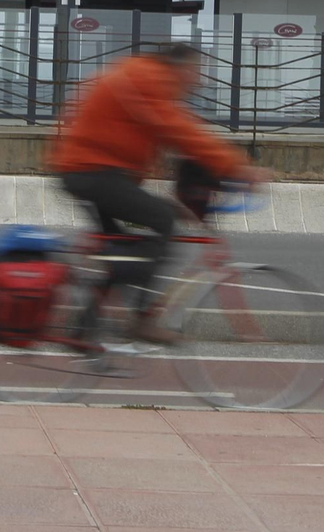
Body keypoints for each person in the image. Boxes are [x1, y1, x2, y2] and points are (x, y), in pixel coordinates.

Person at [49, 42, 263, 343]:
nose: (200, 80)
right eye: (197, 71)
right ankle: (141, 320)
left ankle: (84, 331)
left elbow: (166, 138)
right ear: (180, 67)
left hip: (92, 171)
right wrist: (238, 168)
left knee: (122, 251)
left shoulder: (146, 78)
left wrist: (180, 199)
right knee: (162, 221)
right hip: (92, 173)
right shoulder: (147, 78)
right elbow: (181, 131)